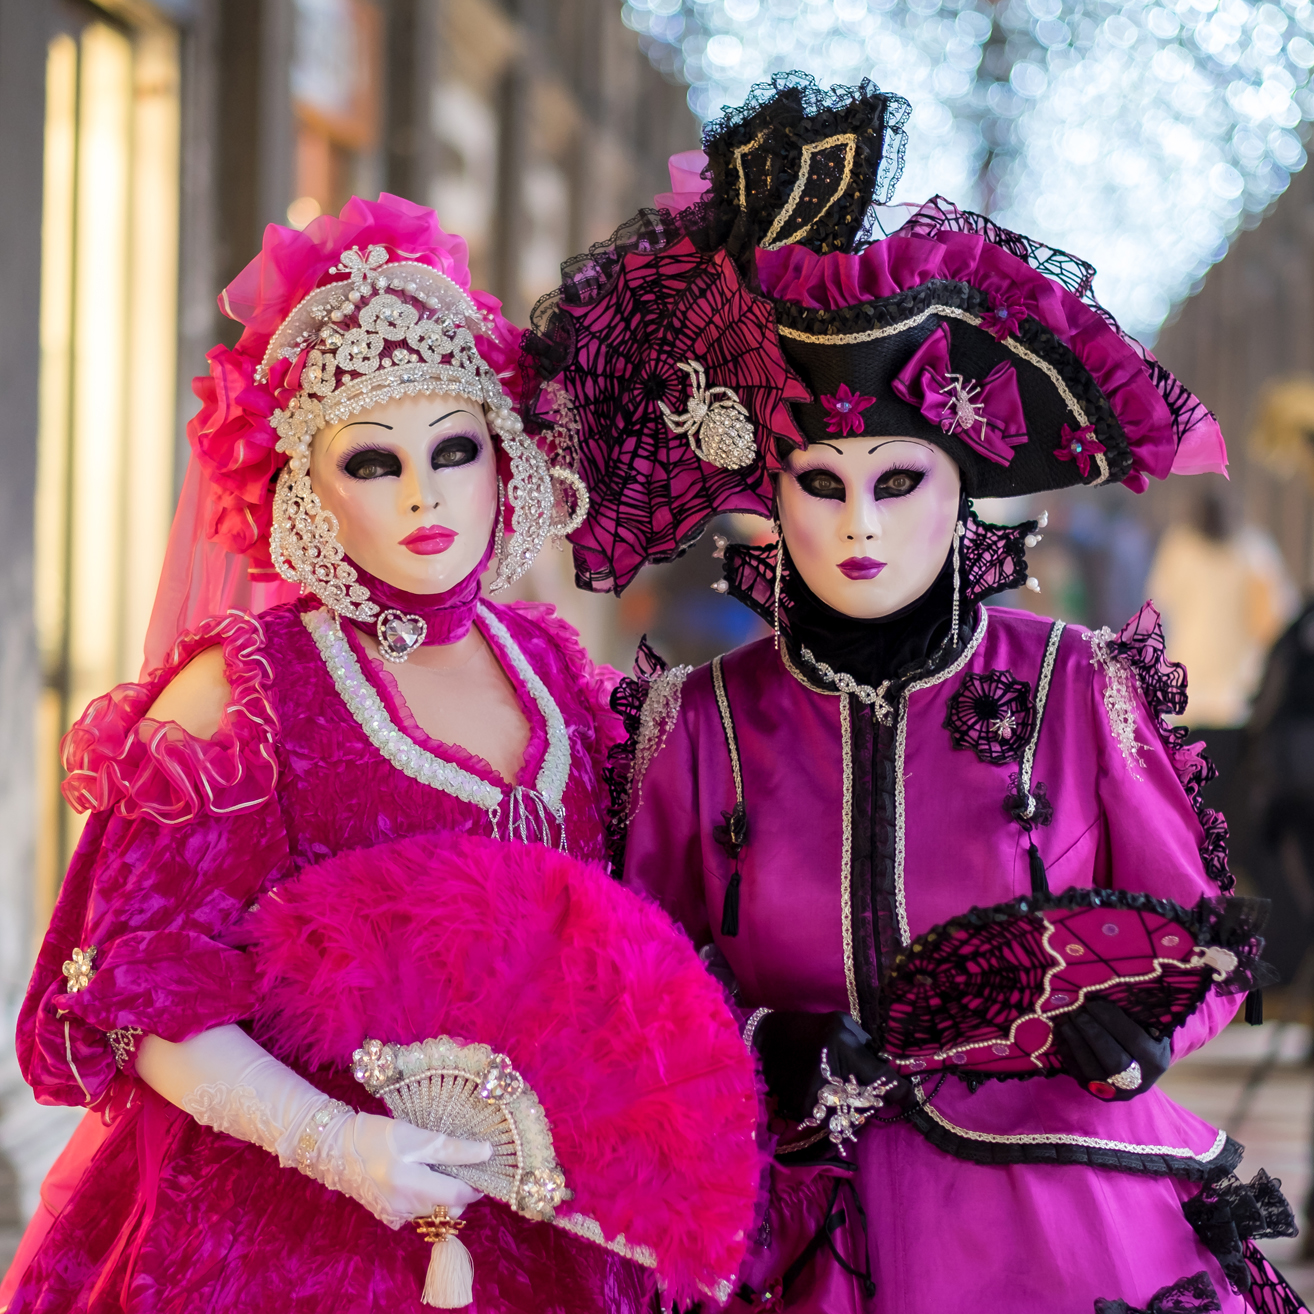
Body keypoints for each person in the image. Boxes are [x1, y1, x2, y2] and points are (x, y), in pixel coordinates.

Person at [524, 75, 1305, 1314]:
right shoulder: (694, 726)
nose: (861, 527)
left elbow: (1194, 938)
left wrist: (1140, 1032)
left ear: (964, 486)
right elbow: (637, 978)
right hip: (780, 1222)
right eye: (822, 484)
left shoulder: (1072, 689)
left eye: (900, 482)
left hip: (1059, 1215)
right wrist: (759, 1043)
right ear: (769, 498)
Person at [3, 194, 651, 1313]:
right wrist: (341, 1147)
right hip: (286, 1236)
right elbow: (148, 994)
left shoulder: (548, 666)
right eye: (371, 462)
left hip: (543, 1224)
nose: (423, 494)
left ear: (505, 458)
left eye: (455, 449)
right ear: (303, 484)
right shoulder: (249, 690)